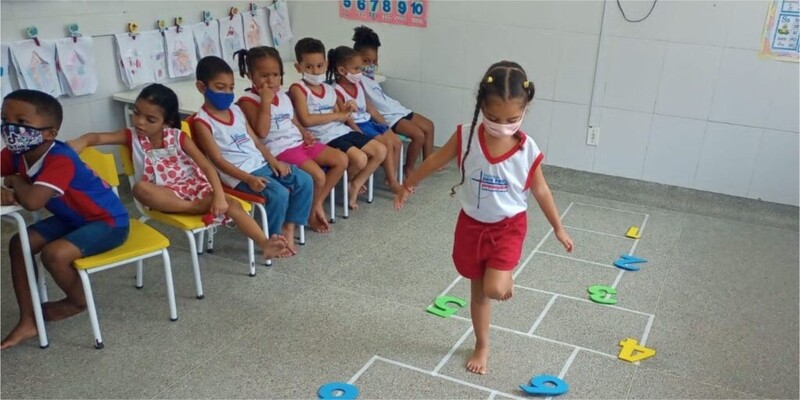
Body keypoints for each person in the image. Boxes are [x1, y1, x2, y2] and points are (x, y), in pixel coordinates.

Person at [395, 62, 574, 375]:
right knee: (478, 292)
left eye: (512, 119)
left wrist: (558, 227)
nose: (502, 125)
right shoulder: (466, 135)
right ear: (480, 106)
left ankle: (504, 272)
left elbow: (541, 191)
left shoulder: (526, 149)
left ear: (525, 110)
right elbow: (436, 159)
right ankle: (482, 344)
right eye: (493, 118)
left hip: (508, 227)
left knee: (493, 288)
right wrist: (409, 183)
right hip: (471, 225)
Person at [68, 83, 288, 261]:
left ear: (168, 122)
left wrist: (219, 196)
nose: (139, 122)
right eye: (136, 114)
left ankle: (264, 243)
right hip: (165, 196)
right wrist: (80, 141)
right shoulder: (131, 136)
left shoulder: (178, 136)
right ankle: (195, 209)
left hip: (195, 188)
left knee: (233, 205)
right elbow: (96, 137)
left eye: (150, 119)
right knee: (140, 188)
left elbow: (206, 166)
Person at [0, 90, 130, 349]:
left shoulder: (61, 159)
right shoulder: (15, 154)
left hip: (108, 221)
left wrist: (14, 181)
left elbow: (33, 201)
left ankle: (78, 302)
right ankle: (29, 320)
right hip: (72, 218)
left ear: (50, 133)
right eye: (5, 119)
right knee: (20, 244)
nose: (11, 128)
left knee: (55, 254)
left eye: (22, 122)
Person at [191, 56, 312, 258]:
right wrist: (248, 178)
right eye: (220, 87)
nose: (227, 93)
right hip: (240, 175)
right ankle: (273, 239)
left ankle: (288, 228)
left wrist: (274, 161)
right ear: (202, 87)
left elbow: (256, 141)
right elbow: (217, 161)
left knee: (304, 180)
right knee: (279, 194)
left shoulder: (236, 110)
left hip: (261, 164)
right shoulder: (201, 122)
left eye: (230, 88)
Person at [235, 46, 347, 233]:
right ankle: (297, 221)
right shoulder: (248, 100)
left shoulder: (283, 95)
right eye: (264, 76)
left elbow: (291, 118)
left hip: (299, 143)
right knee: (318, 176)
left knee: (341, 160)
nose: (271, 81)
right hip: (280, 150)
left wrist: (304, 132)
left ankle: (316, 204)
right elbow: (262, 133)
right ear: (250, 75)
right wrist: (265, 102)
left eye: (276, 75)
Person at [288, 38, 386, 210]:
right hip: (323, 137)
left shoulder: (329, 89)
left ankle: (355, 183)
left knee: (380, 150)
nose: (315, 70)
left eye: (319, 65)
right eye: (309, 66)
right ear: (299, 67)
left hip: (342, 130)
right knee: (361, 159)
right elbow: (306, 119)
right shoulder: (298, 88)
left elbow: (343, 115)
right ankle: (347, 183)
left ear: (325, 64)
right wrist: (337, 115)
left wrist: (350, 111)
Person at [352, 25, 436, 176]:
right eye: (366, 61)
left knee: (429, 126)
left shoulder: (369, 78)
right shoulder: (355, 80)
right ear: (356, 58)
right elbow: (368, 107)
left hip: (396, 109)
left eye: (374, 61)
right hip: (388, 116)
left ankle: (428, 162)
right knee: (418, 135)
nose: (370, 65)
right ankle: (408, 168)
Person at [327, 45, 404, 194]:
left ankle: (390, 177)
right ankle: (392, 182)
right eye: (356, 69)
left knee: (397, 142)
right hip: (357, 125)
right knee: (387, 145)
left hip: (369, 122)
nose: (359, 73)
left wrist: (385, 125)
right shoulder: (337, 90)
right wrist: (359, 133)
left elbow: (370, 109)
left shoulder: (358, 85)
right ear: (342, 71)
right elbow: (345, 118)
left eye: (360, 68)